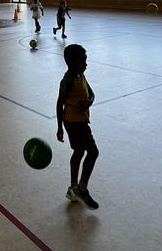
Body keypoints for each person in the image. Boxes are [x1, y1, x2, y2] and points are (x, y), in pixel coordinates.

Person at [56, 44, 99, 210]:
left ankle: (73, 188)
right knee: (93, 152)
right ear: (73, 63)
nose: (86, 64)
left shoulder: (81, 75)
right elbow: (59, 104)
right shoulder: (68, 80)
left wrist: (89, 102)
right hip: (73, 122)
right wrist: (59, 127)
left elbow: (92, 94)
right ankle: (81, 188)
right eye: (83, 61)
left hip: (81, 120)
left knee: (79, 151)